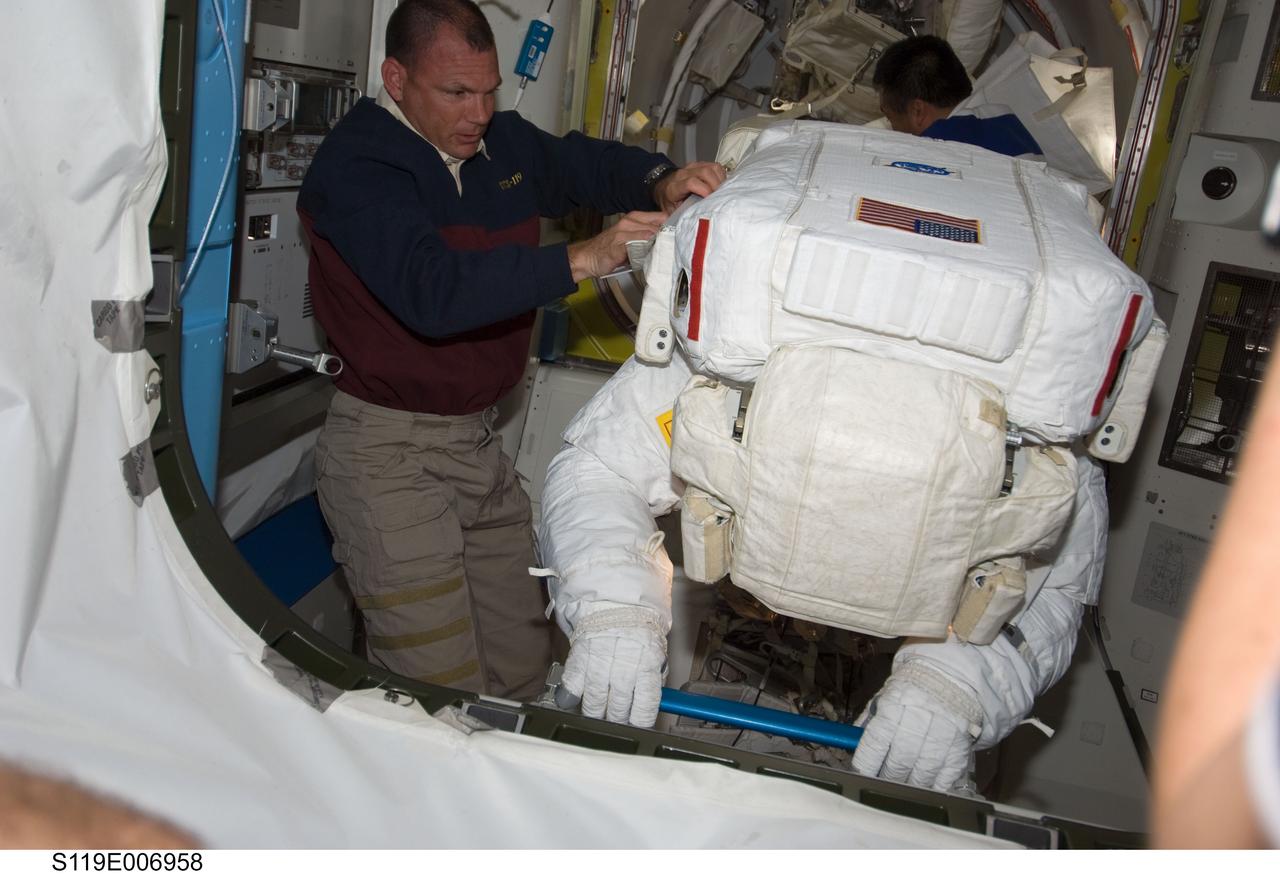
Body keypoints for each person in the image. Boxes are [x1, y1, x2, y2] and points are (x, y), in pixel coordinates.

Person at [534, 102, 1159, 790]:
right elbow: (603, 470)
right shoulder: (742, 336)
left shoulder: (1038, 388)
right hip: (752, 641)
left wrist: (954, 688)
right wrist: (615, 609)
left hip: (915, 659)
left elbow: (1056, 572)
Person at [297, 0, 725, 700]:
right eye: (456, 93)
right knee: (437, 695)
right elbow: (433, 293)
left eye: (489, 90)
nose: (478, 112)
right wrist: (584, 257)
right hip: (387, 456)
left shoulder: (498, 143)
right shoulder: (358, 166)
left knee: (525, 667)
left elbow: (575, 165)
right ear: (396, 79)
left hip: (475, 445)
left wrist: (660, 179)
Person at [872, 35, 1042, 159]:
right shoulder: (1004, 117)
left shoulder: (933, 152)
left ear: (917, 111)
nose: (891, 127)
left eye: (890, 118)